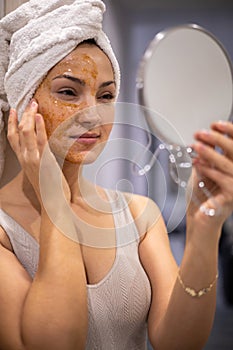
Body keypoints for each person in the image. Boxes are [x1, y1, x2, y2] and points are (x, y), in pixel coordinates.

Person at [0, 1, 233, 349]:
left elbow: (178, 341)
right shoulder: (4, 232)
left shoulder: (139, 216)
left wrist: (204, 232)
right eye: (68, 92)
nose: (94, 115)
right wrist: (54, 198)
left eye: (106, 95)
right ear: (21, 107)